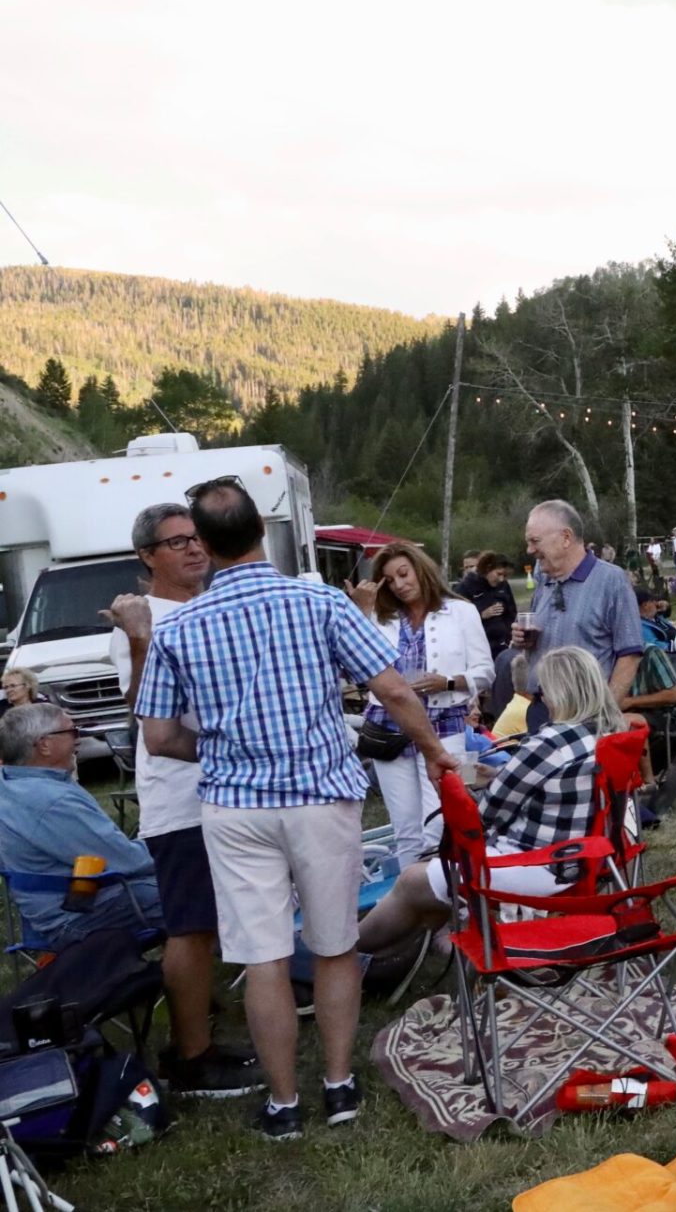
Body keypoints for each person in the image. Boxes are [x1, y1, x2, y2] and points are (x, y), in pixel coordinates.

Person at [136, 477, 452, 1139]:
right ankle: (338, 1087)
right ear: (260, 533)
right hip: (318, 797)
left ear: (208, 546)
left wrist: (226, 749)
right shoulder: (317, 603)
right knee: (334, 947)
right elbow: (393, 689)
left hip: (233, 807)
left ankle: (283, 1104)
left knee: (264, 958)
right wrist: (432, 753)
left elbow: (160, 737)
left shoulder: (179, 627)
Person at [104, 502, 260, 1098]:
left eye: (196, 539)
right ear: (147, 556)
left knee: (213, 921)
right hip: (180, 799)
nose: (194, 550)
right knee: (190, 926)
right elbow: (141, 711)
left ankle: (205, 1027)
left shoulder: (210, 607)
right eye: (176, 543)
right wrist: (140, 638)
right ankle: (190, 1058)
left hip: (228, 792)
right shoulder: (142, 618)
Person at [353, 646, 621, 961]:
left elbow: (487, 816)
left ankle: (341, 956)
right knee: (430, 886)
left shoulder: (551, 741)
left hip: (538, 865)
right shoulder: (608, 733)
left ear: (561, 691)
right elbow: (556, 786)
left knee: (413, 879)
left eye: (542, 689)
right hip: (586, 859)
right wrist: (497, 773)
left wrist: (457, 790)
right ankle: (380, 964)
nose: (541, 698)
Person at [349, 540, 496, 864]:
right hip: (390, 728)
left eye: (404, 573)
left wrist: (446, 682)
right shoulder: (379, 617)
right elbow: (354, 667)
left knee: (442, 824)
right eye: (391, 579)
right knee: (406, 830)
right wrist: (360, 612)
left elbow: (485, 671)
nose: (400, 584)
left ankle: (445, 902)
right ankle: (415, 905)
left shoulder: (460, 611)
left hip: (445, 725)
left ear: (420, 569)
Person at [0, 704, 178, 949]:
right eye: (72, 731)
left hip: (52, 909)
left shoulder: (10, 784)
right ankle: (238, 957)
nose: (79, 738)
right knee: (191, 888)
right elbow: (128, 861)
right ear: (44, 744)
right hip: (76, 916)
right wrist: (179, 849)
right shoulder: (51, 801)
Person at [516, 499, 644, 729]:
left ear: (566, 537)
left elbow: (630, 653)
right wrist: (525, 641)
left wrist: (607, 713)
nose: (529, 550)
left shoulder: (611, 580)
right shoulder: (543, 582)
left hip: (588, 714)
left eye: (535, 541)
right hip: (541, 710)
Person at [455, 550, 517, 661]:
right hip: (478, 651)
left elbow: (512, 613)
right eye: (498, 574)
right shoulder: (465, 587)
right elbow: (455, 620)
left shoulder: (503, 586)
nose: (501, 579)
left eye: (504, 575)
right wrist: (481, 615)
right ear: (488, 568)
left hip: (504, 648)